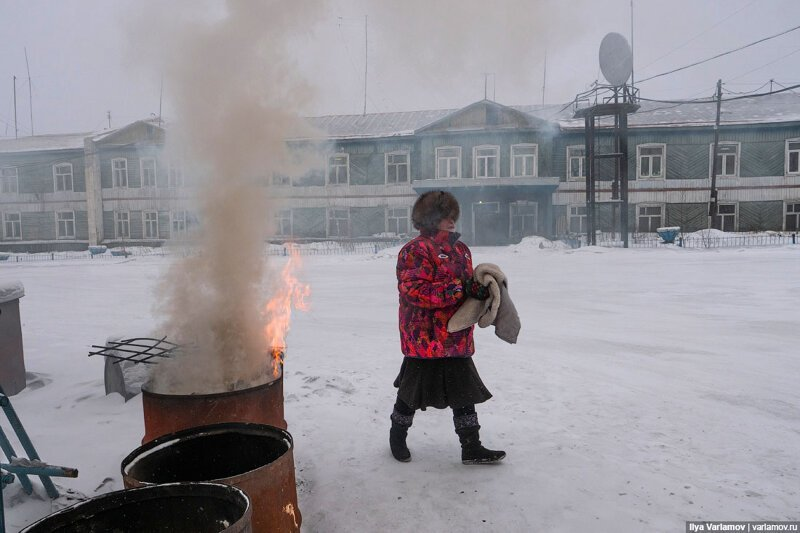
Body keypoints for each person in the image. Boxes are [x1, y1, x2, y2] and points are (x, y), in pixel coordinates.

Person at [390, 190, 506, 465]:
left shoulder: (461, 250)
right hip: (425, 337)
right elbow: (415, 291)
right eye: (444, 216)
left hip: (455, 335)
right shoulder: (415, 250)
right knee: (411, 392)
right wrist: (460, 288)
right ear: (430, 219)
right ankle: (397, 435)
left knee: (464, 392)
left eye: (453, 215)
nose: (451, 220)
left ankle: (471, 447)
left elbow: (465, 289)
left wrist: (477, 291)